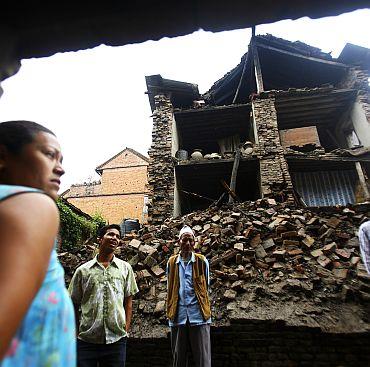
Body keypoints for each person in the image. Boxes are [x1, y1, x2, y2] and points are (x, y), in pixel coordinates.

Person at [0, 120, 76, 366]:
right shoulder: (35, 205)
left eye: (61, 160)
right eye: (49, 155)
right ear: (2, 157)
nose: (60, 169)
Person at [68, 224, 139, 367]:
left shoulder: (125, 269)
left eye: (118, 236)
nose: (115, 238)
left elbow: (128, 302)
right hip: (87, 341)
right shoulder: (83, 271)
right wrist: (76, 333)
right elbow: (73, 303)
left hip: (116, 341)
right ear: (100, 239)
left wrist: (125, 331)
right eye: (111, 234)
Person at [166, 225, 212, 367]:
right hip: (178, 315)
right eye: (184, 240)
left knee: (203, 359)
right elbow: (170, 287)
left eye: (190, 240)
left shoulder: (201, 261)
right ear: (179, 242)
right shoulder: (172, 262)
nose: (187, 244)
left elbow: (206, 285)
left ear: (194, 242)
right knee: (178, 358)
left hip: (198, 315)